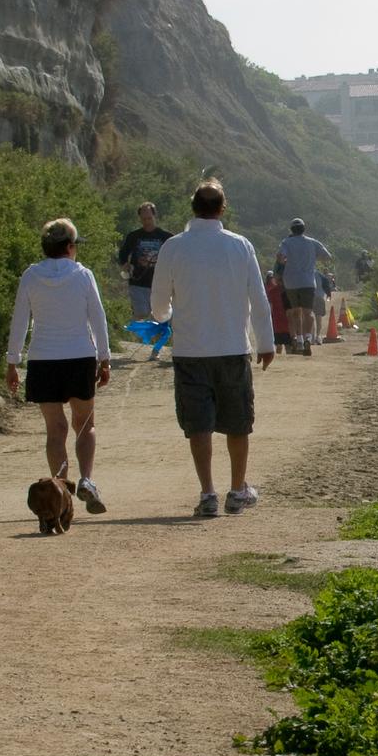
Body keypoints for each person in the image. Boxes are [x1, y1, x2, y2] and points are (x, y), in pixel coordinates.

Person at [149, 179, 275, 517]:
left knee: (198, 424)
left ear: (193, 207)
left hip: (190, 350)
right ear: (222, 208)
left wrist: (167, 315)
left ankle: (207, 493)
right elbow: (258, 299)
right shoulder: (240, 246)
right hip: (232, 347)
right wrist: (266, 343)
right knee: (237, 422)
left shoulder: (174, 247)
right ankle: (237, 489)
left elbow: (159, 304)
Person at [4, 218, 110, 515]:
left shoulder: (31, 276)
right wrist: (105, 358)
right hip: (79, 356)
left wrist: (13, 362)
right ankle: (87, 479)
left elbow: (20, 321)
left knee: (55, 429)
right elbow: (97, 318)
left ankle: (61, 487)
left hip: (43, 359)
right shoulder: (83, 275)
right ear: (70, 247)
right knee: (84, 425)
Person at [276, 217, 331, 355]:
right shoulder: (312, 242)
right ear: (304, 229)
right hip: (307, 282)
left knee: (295, 311)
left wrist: (284, 264)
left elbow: (280, 257)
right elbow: (327, 257)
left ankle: (298, 339)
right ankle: (308, 338)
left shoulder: (286, 242)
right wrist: (313, 258)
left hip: (291, 282)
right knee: (308, 312)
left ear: (291, 230)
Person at [116, 202, 173, 322]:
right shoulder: (134, 236)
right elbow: (123, 253)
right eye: (143, 219)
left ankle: (154, 339)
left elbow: (175, 257)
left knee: (159, 319)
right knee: (141, 314)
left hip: (159, 284)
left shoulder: (166, 237)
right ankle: (142, 339)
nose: (146, 222)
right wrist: (125, 264)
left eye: (149, 218)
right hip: (138, 283)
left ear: (154, 216)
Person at [264, 269, 291, 355]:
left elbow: (270, 307)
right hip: (284, 323)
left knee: (280, 346)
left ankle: (282, 363)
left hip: (279, 322)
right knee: (287, 346)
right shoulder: (289, 291)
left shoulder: (273, 291)